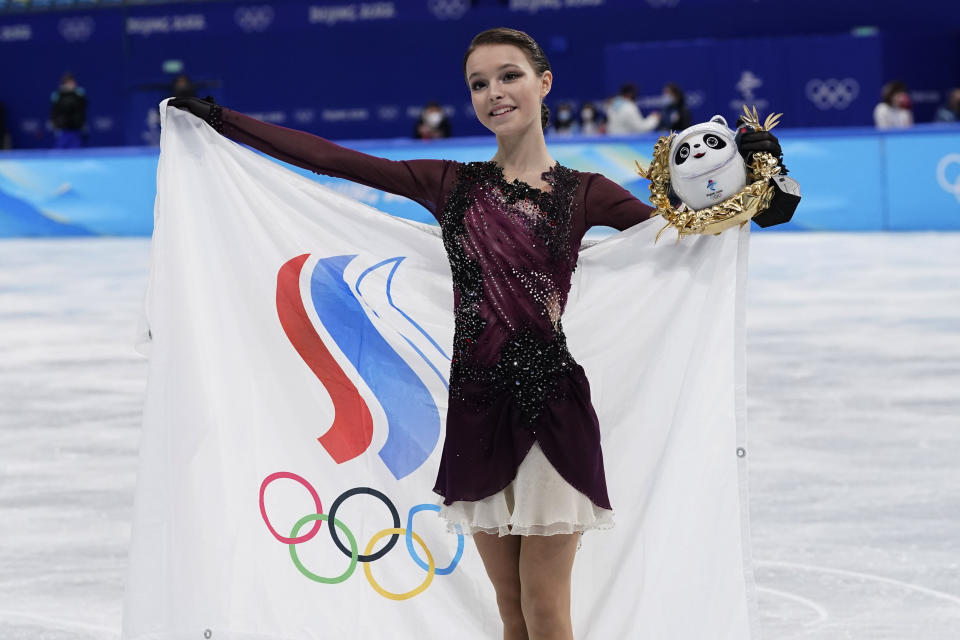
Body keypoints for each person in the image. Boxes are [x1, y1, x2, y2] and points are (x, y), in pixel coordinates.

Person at [170, 26, 784, 640]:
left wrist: (765, 181)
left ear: (544, 84)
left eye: (509, 76)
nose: (495, 92)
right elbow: (334, 160)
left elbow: (686, 234)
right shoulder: (449, 184)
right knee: (511, 612)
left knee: (547, 612)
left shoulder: (583, 193)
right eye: (479, 83)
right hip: (475, 412)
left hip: (551, 411)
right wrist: (221, 121)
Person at [49, 72, 87, 148]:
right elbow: (55, 110)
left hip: (76, 129)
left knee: (76, 153)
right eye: (68, 83)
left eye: (72, 82)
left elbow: (82, 105)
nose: (71, 85)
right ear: (64, 84)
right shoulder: (58, 95)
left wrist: (72, 93)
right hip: (63, 129)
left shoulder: (79, 94)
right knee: (60, 153)